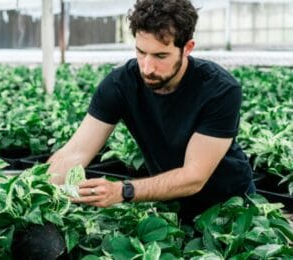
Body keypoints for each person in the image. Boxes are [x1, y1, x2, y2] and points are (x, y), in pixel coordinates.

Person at [47, 0, 255, 222]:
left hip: (230, 210)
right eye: (140, 52)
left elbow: (193, 176)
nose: (147, 67)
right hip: (171, 206)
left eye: (160, 56)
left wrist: (122, 191)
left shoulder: (219, 89)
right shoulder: (120, 84)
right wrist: (34, 190)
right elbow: (75, 153)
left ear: (187, 48)